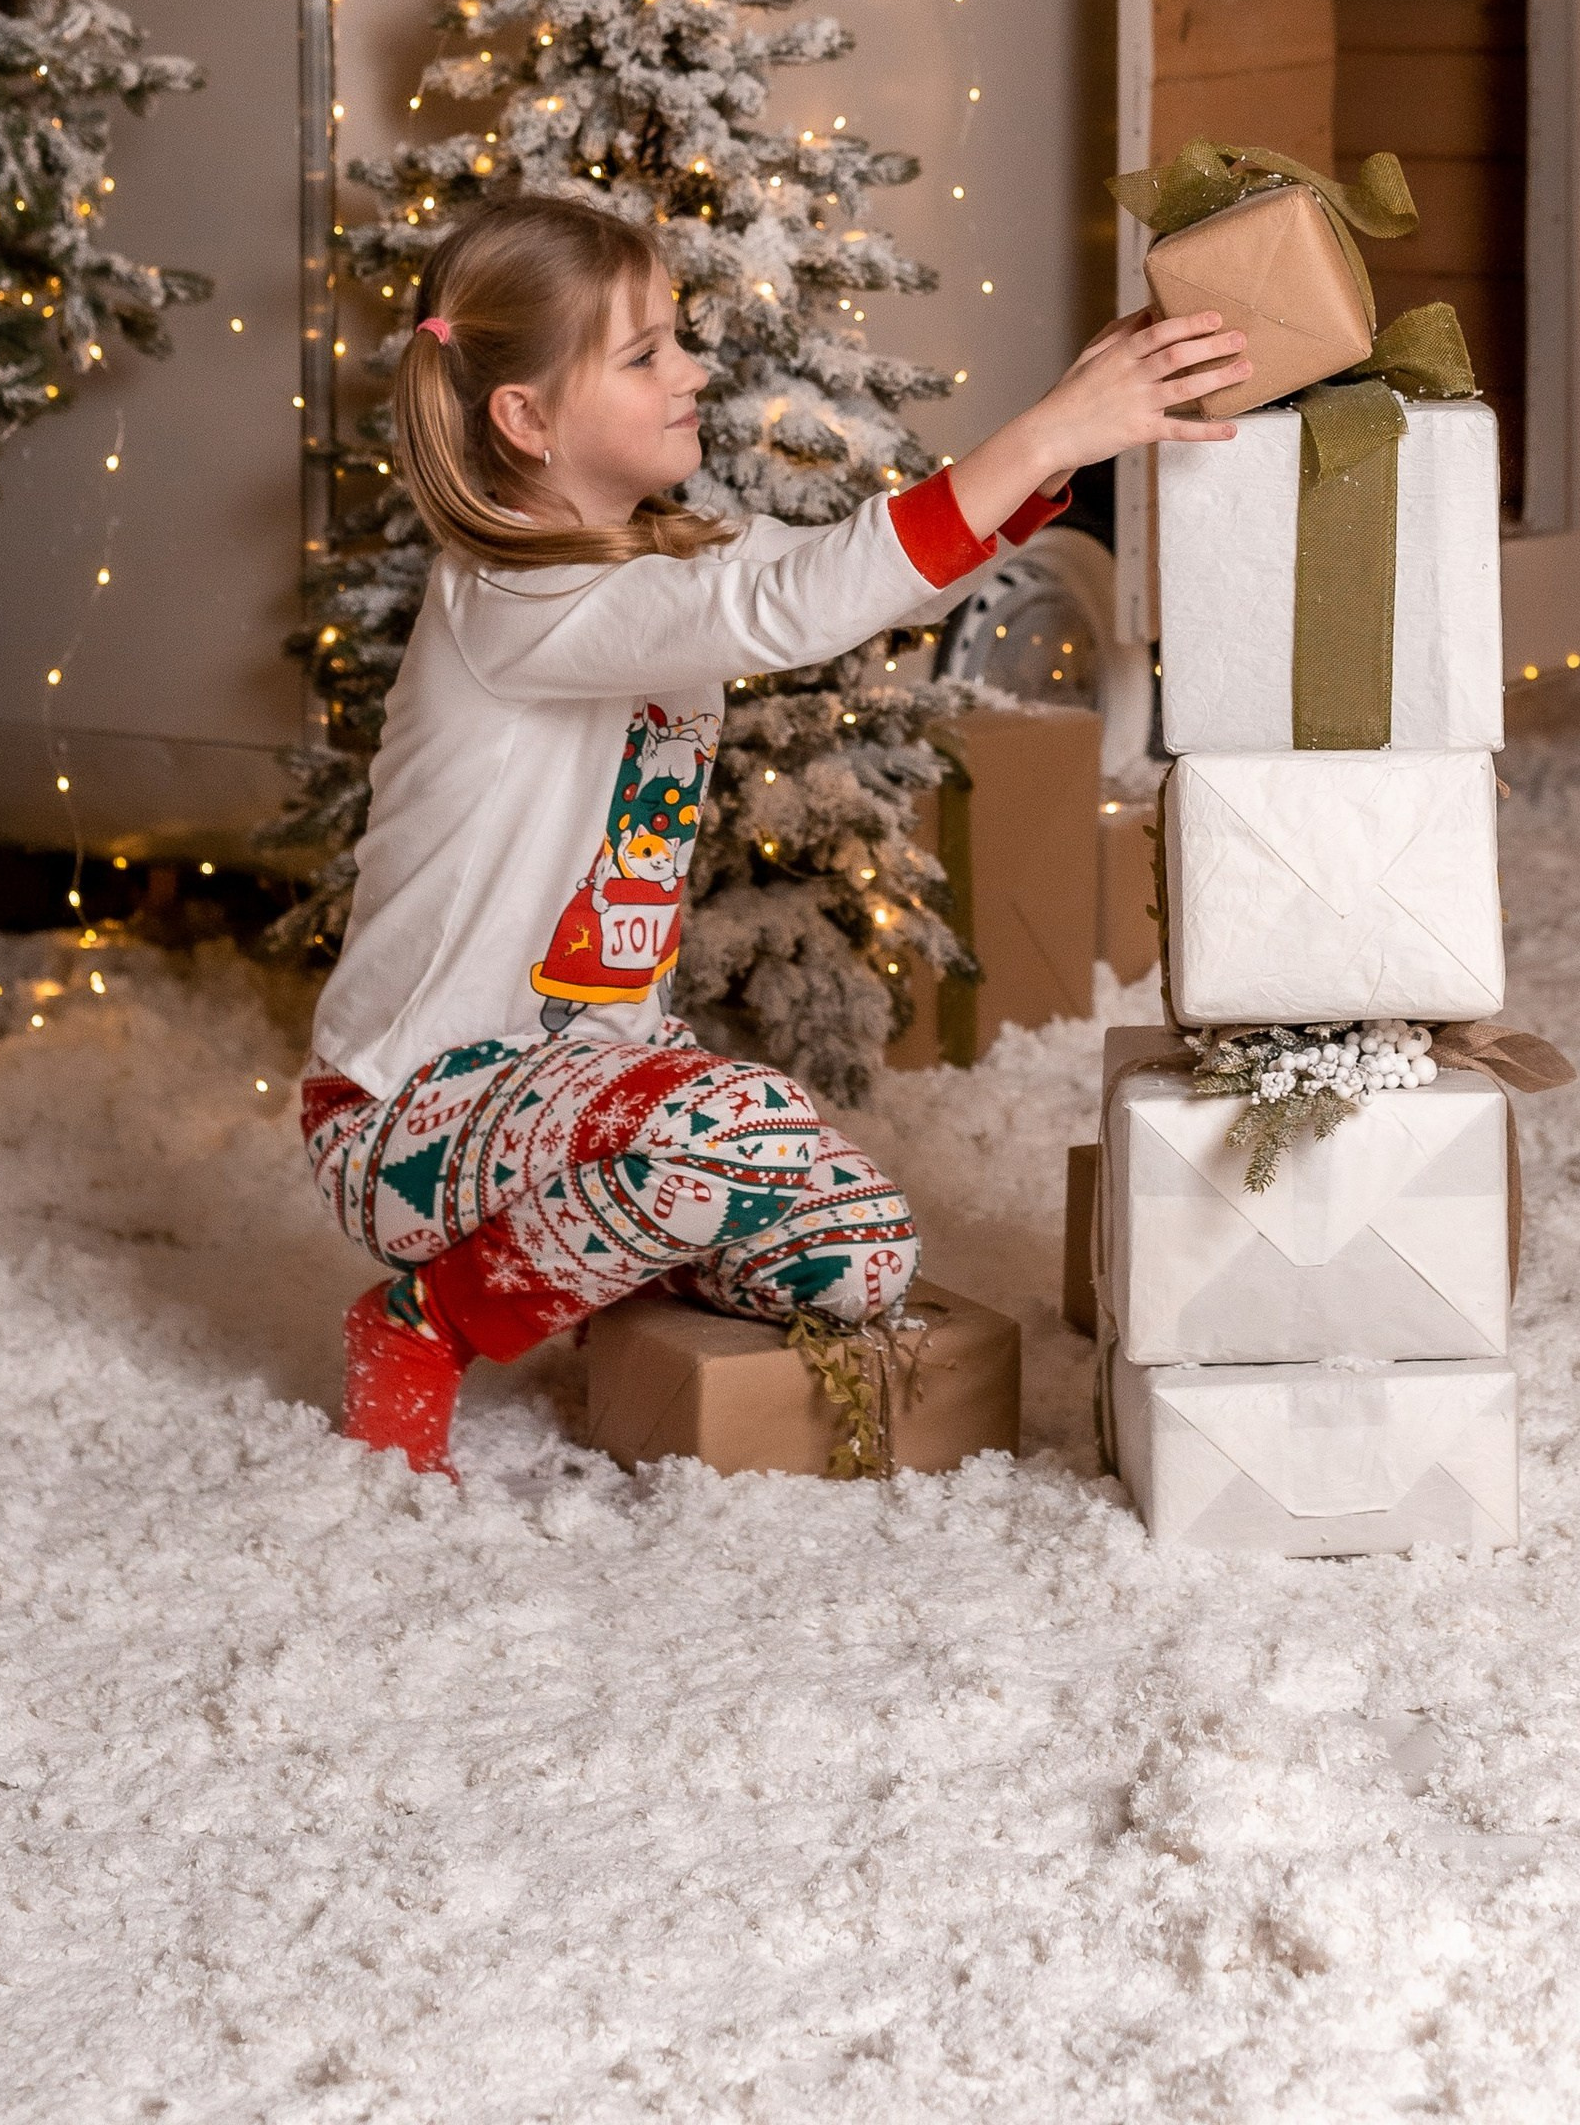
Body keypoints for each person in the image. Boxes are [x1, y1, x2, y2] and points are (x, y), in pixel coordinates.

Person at [300, 189, 1243, 1475]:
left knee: (861, 1262)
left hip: (589, 1087)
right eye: (645, 356)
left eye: (678, 337)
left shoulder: (659, 549)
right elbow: (796, 610)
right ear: (523, 417)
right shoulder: (518, 597)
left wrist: (1065, 436)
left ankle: (582, 1258)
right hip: (415, 1108)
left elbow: (853, 570)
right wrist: (1040, 434)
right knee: (737, 1128)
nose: (695, 369)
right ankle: (428, 1315)